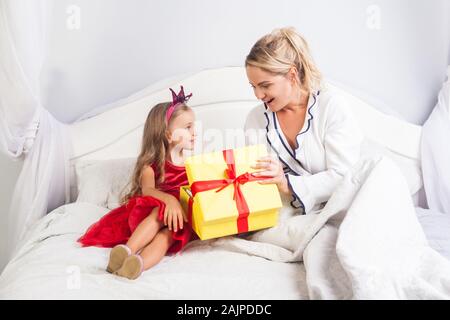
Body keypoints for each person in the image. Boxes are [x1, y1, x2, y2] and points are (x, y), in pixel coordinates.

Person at [78, 86, 196, 280]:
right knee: (160, 211)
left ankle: (137, 265)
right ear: (168, 135)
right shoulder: (151, 167)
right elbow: (148, 191)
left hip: (178, 221)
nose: (194, 132)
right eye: (188, 127)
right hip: (151, 215)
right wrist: (170, 200)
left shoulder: (193, 164)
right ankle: (126, 250)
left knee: (166, 238)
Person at [244, 27, 363, 214]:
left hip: (340, 209)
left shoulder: (331, 107)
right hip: (286, 215)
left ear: (291, 75)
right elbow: (256, 183)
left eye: (265, 85)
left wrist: (287, 184)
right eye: (253, 87)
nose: (258, 95)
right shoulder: (256, 119)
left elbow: (344, 176)